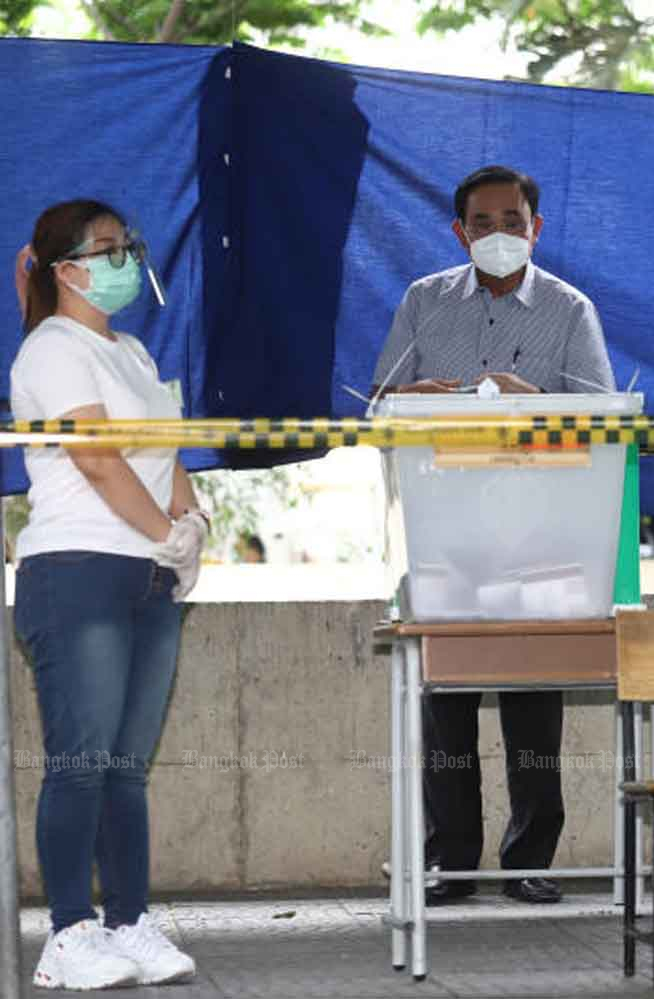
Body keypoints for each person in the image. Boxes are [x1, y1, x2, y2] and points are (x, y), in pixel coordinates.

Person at [371, 165, 614, 905]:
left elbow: (605, 422)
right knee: (445, 700)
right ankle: (450, 859)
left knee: (532, 699)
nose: (499, 235)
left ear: (536, 229)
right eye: (483, 223)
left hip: (540, 535)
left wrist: (538, 403)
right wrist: (406, 402)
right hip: (443, 531)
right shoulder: (423, 302)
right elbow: (375, 410)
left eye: (514, 221)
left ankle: (529, 858)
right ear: (459, 232)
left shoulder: (572, 311)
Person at [11, 200, 206, 989]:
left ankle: (128, 919)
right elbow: (97, 459)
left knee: (126, 765)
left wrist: (193, 524)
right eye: (109, 249)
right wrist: (163, 528)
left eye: (129, 246)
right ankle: (67, 933)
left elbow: (165, 453)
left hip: (148, 573)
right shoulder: (51, 350)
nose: (126, 259)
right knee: (82, 759)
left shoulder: (128, 349)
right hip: (79, 569)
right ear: (66, 270)